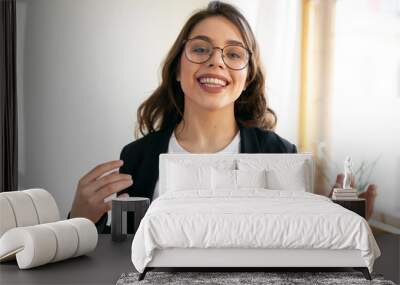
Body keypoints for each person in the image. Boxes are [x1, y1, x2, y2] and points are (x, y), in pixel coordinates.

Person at [69, 1, 297, 234]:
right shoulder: (137, 157)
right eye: (200, 49)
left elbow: (295, 244)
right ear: (178, 69)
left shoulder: (281, 154)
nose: (216, 61)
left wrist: (330, 217)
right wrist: (81, 220)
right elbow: (125, 249)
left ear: (247, 78)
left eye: (234, 54)